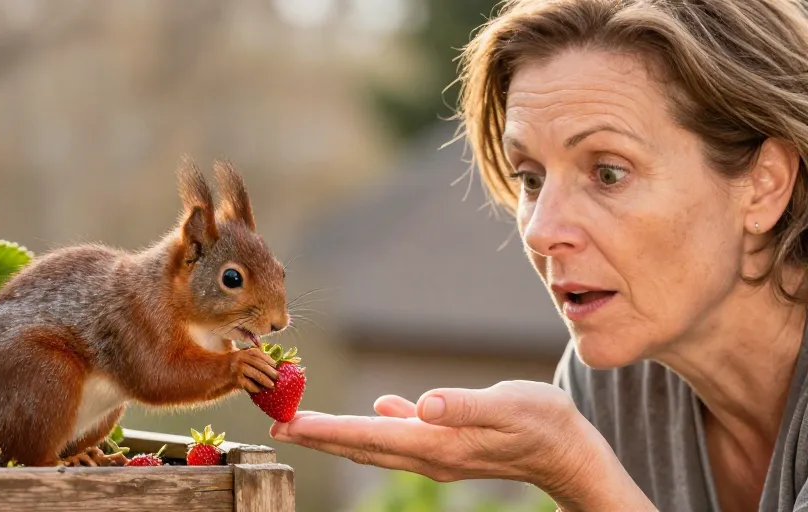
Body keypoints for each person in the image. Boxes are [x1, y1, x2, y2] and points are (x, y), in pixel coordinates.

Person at [268, 1, 808, 510]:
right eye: (530, 178)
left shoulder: (582, 423)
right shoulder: (609, 386)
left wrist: (578, 471)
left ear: (764, 184)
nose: (541, 231)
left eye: (608, 173)